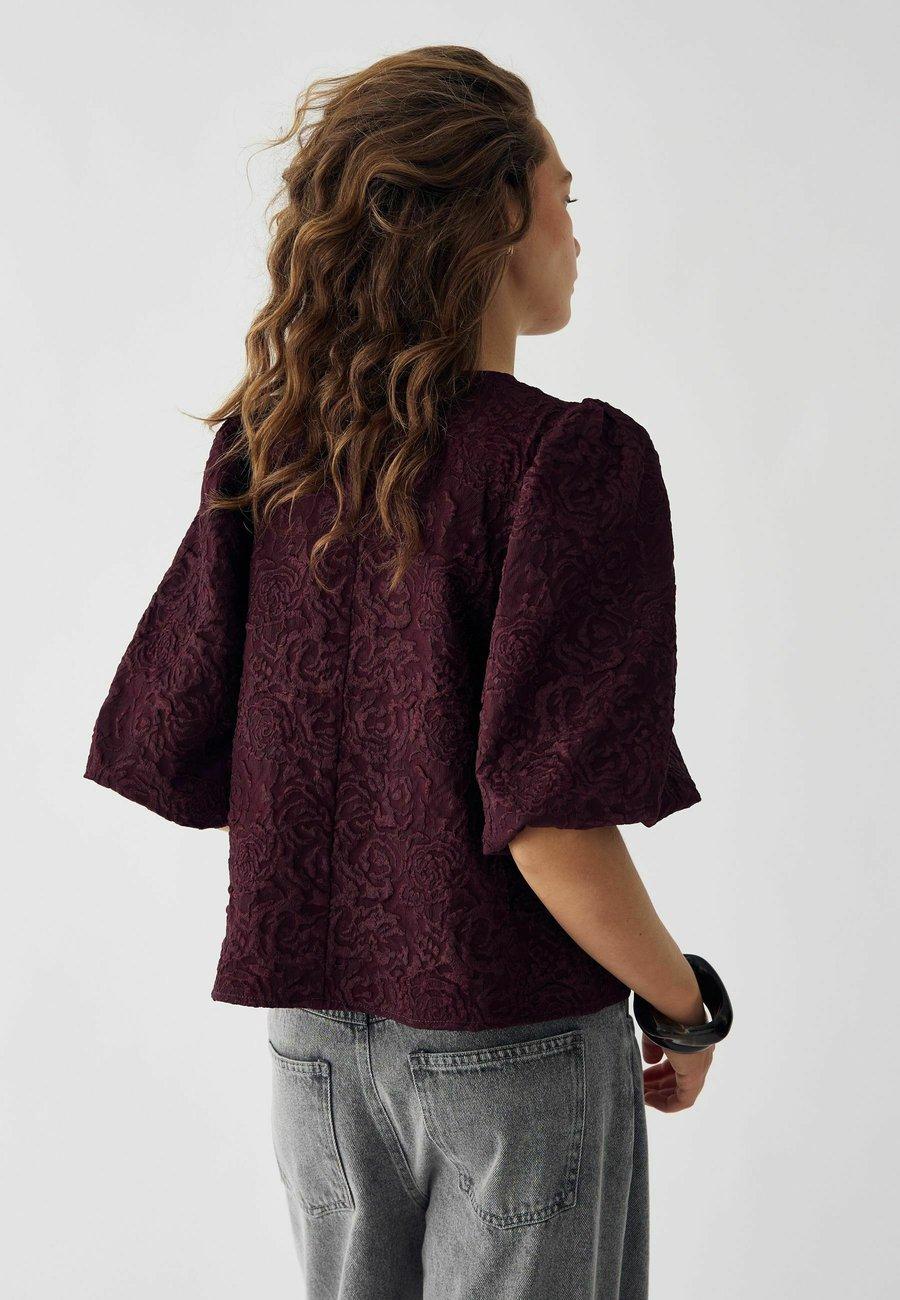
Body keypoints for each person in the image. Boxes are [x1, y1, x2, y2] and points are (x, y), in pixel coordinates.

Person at [84, 45, 719, 1300]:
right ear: (500, 210)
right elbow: (550, 825)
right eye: (565, 195)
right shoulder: (563, 462)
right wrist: (685, 1001)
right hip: (514, 1048)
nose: (577, 231)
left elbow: (168, 725)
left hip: (316, 1056)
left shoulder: (270, 455)